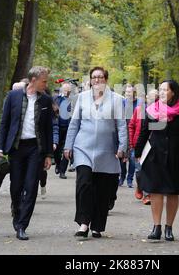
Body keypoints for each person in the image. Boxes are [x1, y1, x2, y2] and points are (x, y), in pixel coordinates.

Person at [64, 66, 127, 239]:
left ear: (106, 79)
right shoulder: (82, 99)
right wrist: (68, 146)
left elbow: (121, 125)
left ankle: (97, 226)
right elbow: (74, 123)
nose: (97, 80)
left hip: (106, 150)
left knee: (102, 189)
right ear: (90, 80)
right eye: (94, 77)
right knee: (84, 184)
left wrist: (122, 147)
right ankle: (84, 223)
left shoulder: (116, 99)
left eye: (100, 77)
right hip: (83, 147)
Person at [0, 66, 53, 240]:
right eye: (44, 81)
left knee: (31, 186)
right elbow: (4, 124)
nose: (46, 84)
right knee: (16, 186)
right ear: (33, 80)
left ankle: (22, 225)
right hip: (16, 148)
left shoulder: (46, 100)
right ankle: (16, 210)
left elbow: (48, 129)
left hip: (36, 148)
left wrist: (48, 154)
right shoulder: (13, 96)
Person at [134, 80, 179, 241]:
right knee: (155, 190)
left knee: (172, 191)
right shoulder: (152, 109)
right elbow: (145, 131)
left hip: (177, 154)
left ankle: (169, 227)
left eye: (165, 89)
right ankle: (156, 227)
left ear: (173, 92)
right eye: (160, 89)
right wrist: (138, 151)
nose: (161, 92)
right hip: (155, 154)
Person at [128, 88, 158, 205]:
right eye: (151, 98)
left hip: (153, 145)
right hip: (138, 145)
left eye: (156, 99)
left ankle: (147, 195)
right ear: (146, 99)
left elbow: (162, 127)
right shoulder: (138, 110)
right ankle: (140, 187)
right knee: (139, 170)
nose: (153, 101)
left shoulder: (160, 112)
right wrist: (131, 143)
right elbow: (131, 126)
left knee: (150, 171)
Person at [120, 84, 140, 188]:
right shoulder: (122, 103)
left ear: (134, 93)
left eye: (130, 92)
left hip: (133, 132)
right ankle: (122, 176)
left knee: (132, 157)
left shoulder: (138, 104)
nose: (128, 94)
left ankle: (130, 179)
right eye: (127, 92)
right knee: (122, 156)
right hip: (123, 132)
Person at [53, 82, 73, 179]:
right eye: (65, 90)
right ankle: (57, 163)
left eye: (68, 90)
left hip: (69, 127)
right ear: (62, 90)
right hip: (57, 127)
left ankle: (62, 171)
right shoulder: (56, 99)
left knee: (67, 148)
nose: (67, 92)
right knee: (56, 148)